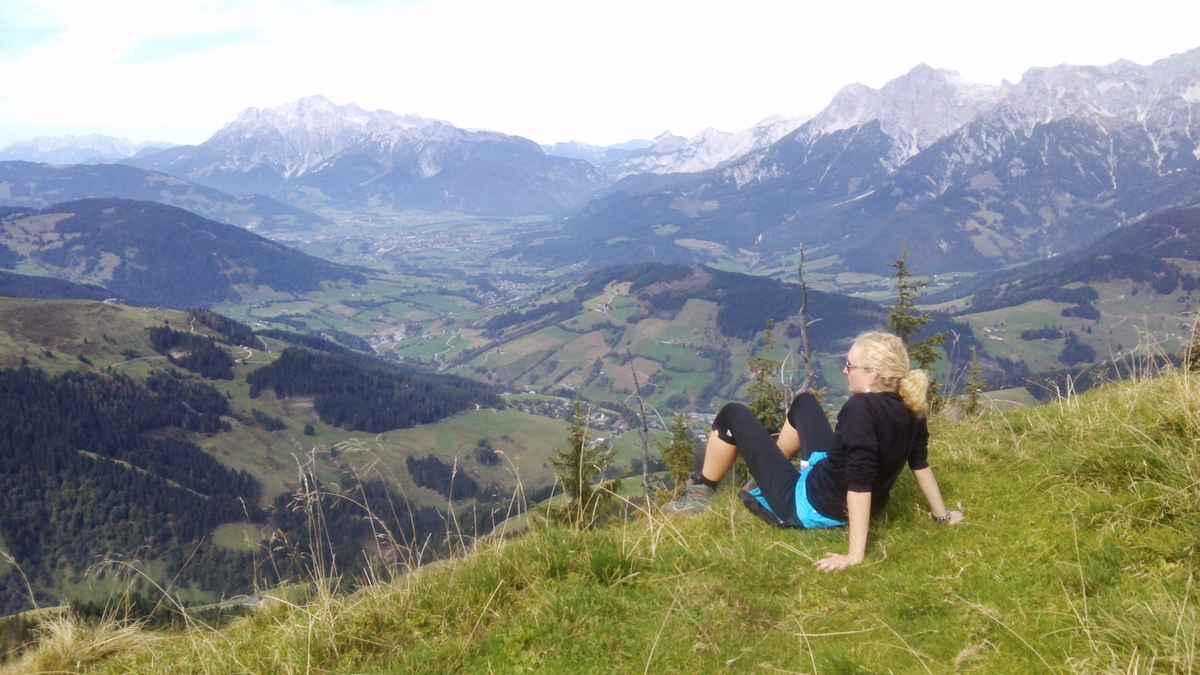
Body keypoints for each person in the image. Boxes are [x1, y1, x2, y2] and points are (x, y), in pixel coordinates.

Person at [665, 331, 963, 572]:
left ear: (872, 374)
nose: (845, 371)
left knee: (732, 414)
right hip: (834, 486)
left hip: (811, 507)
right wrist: (942, 516)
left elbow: (859, 484)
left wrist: (854, 556)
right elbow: (919, 464)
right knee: (804, 402)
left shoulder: (860, 410)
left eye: (850, 365)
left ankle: (700, 492)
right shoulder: (911, 406)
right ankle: (768, 477)